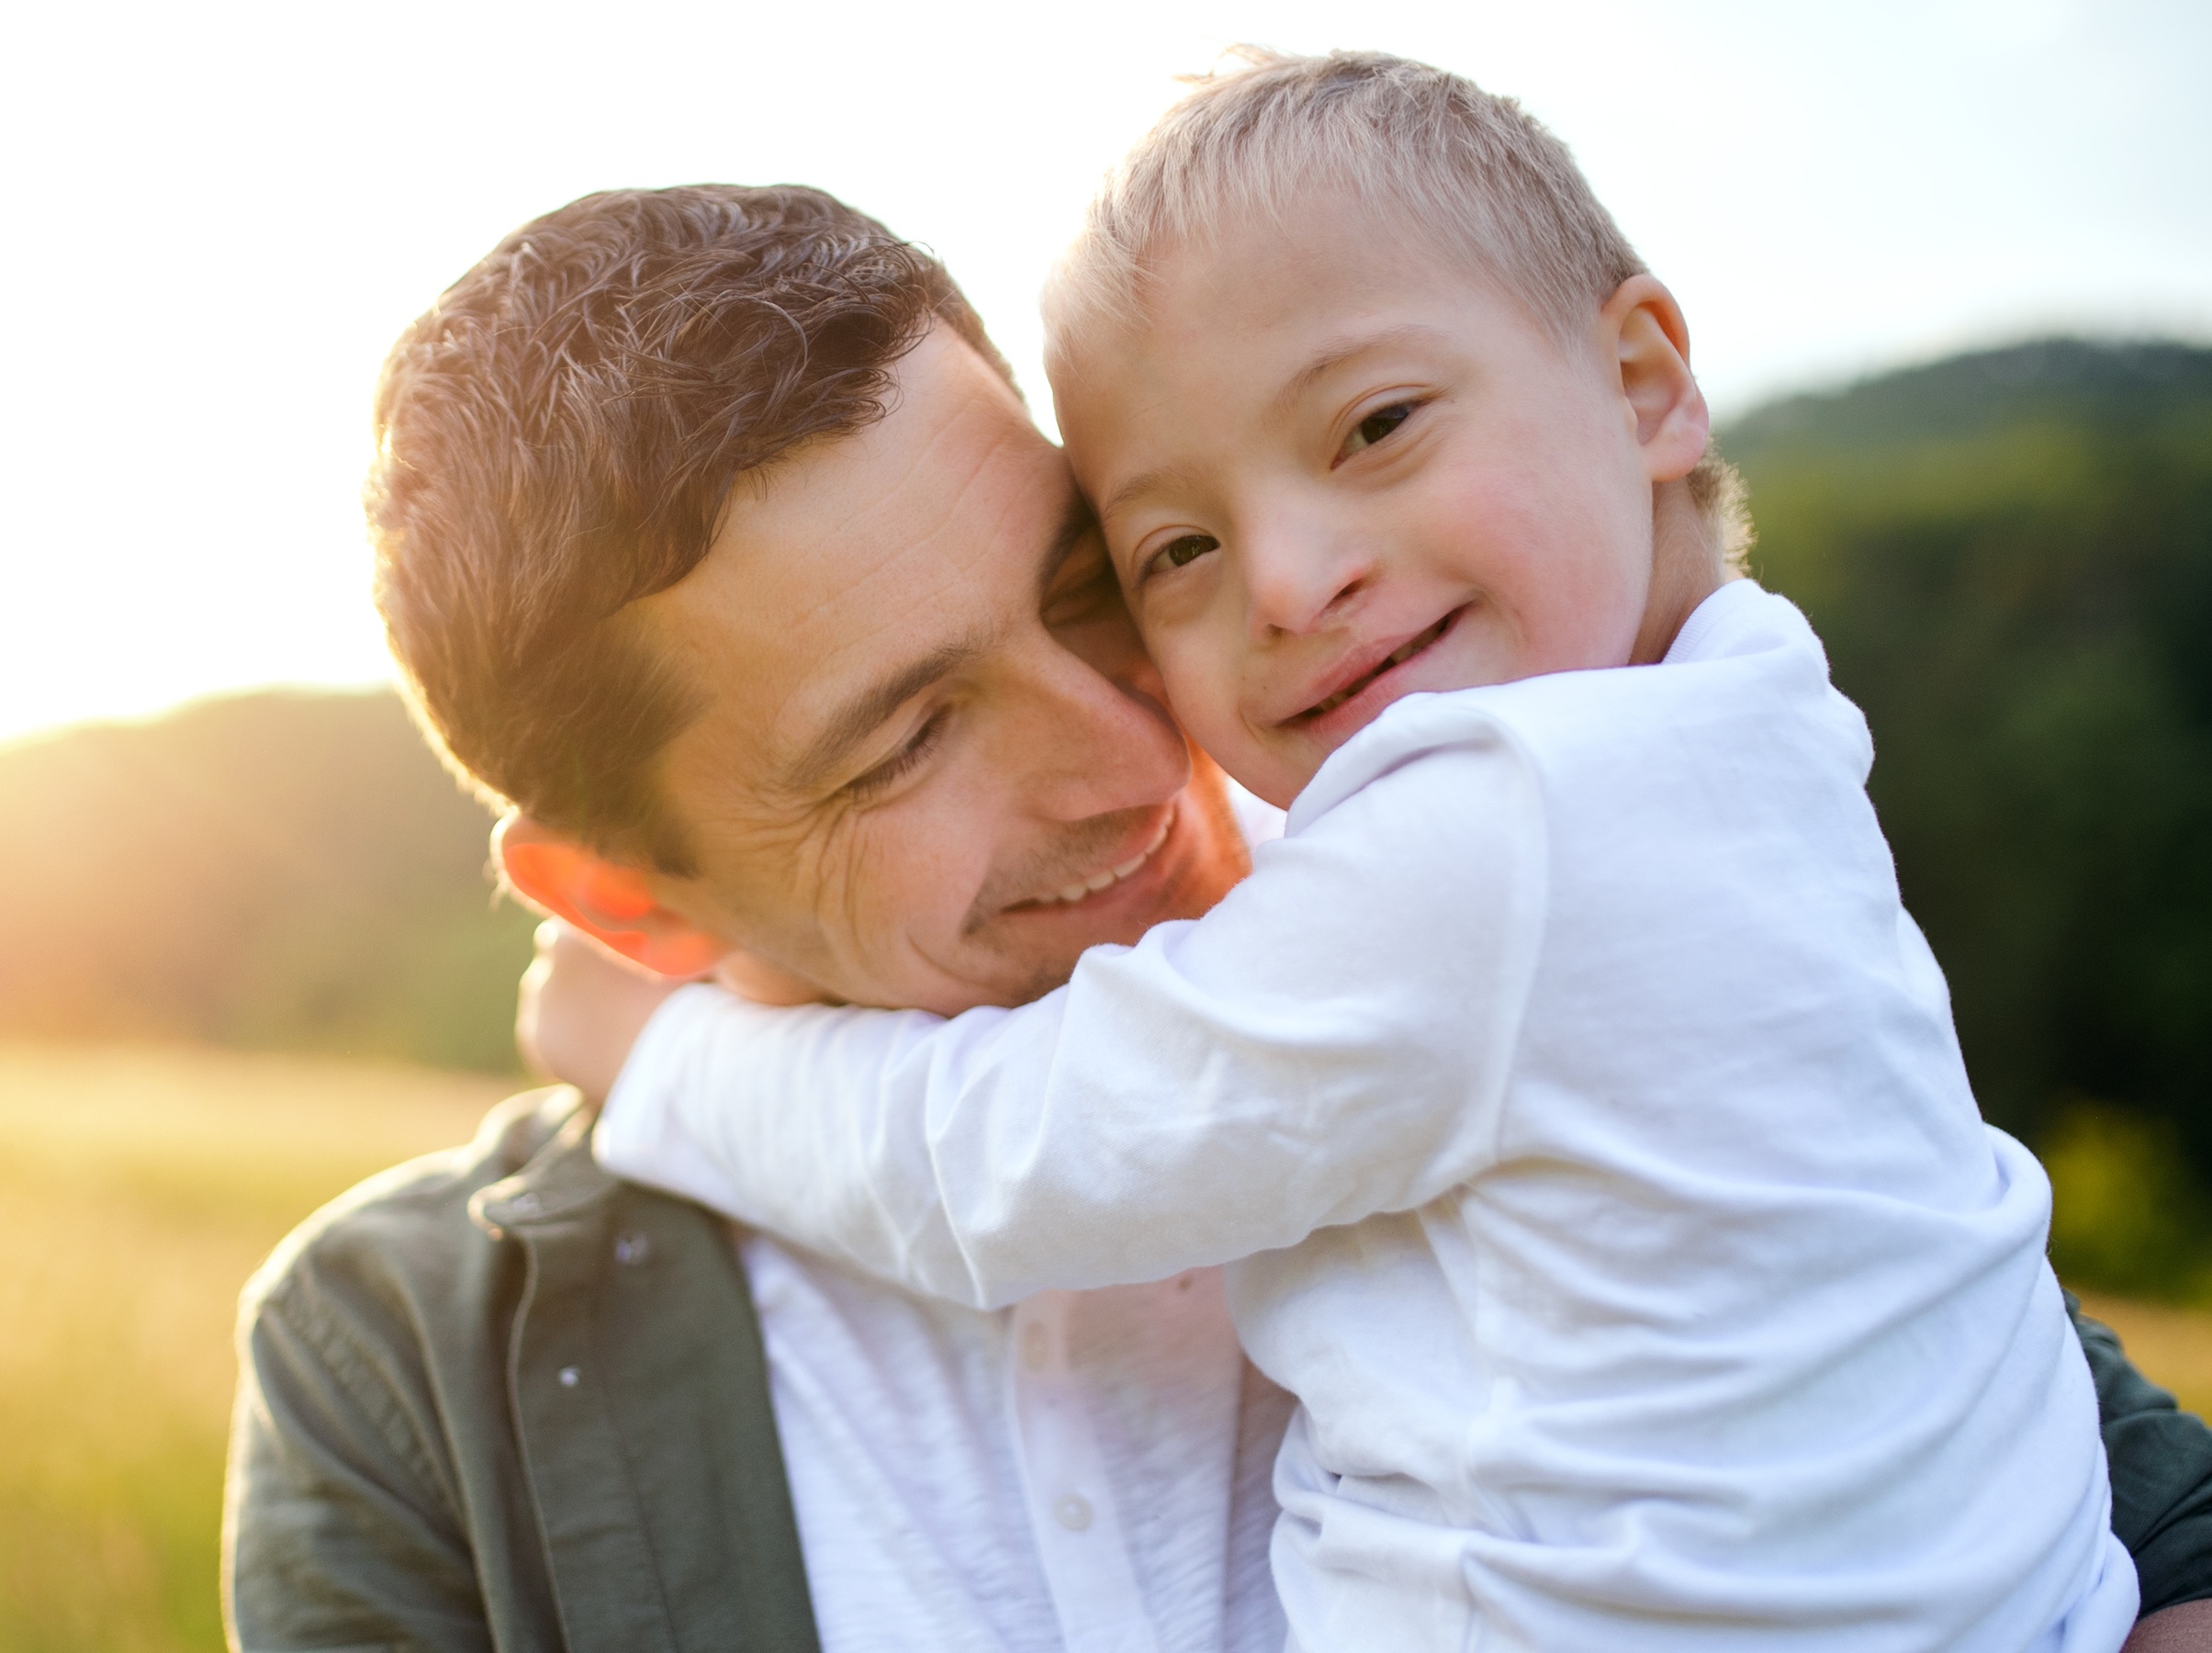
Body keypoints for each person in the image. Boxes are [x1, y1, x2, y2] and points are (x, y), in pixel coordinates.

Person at [224, 171, 2212, 1650]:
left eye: (1095, 582)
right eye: (907, 737)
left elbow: (2122, 1508)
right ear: (614, 904)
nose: (1118, 751)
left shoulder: (1519, 968)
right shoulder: (410, 1356)